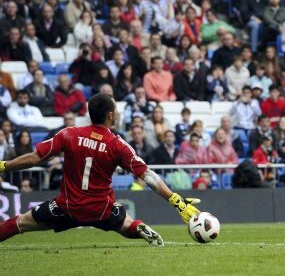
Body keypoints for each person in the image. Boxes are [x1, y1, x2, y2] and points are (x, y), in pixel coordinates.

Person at [0, 93, 202, 245]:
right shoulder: (117, 144)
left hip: (66, 207)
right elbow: (148, 176)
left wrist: (4, 166)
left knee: (20, 222)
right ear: (110, 115)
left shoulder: (69, 134)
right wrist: (175, 200)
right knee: (125, 224)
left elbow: (35, 158)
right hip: (102, 209)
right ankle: (137, 227)